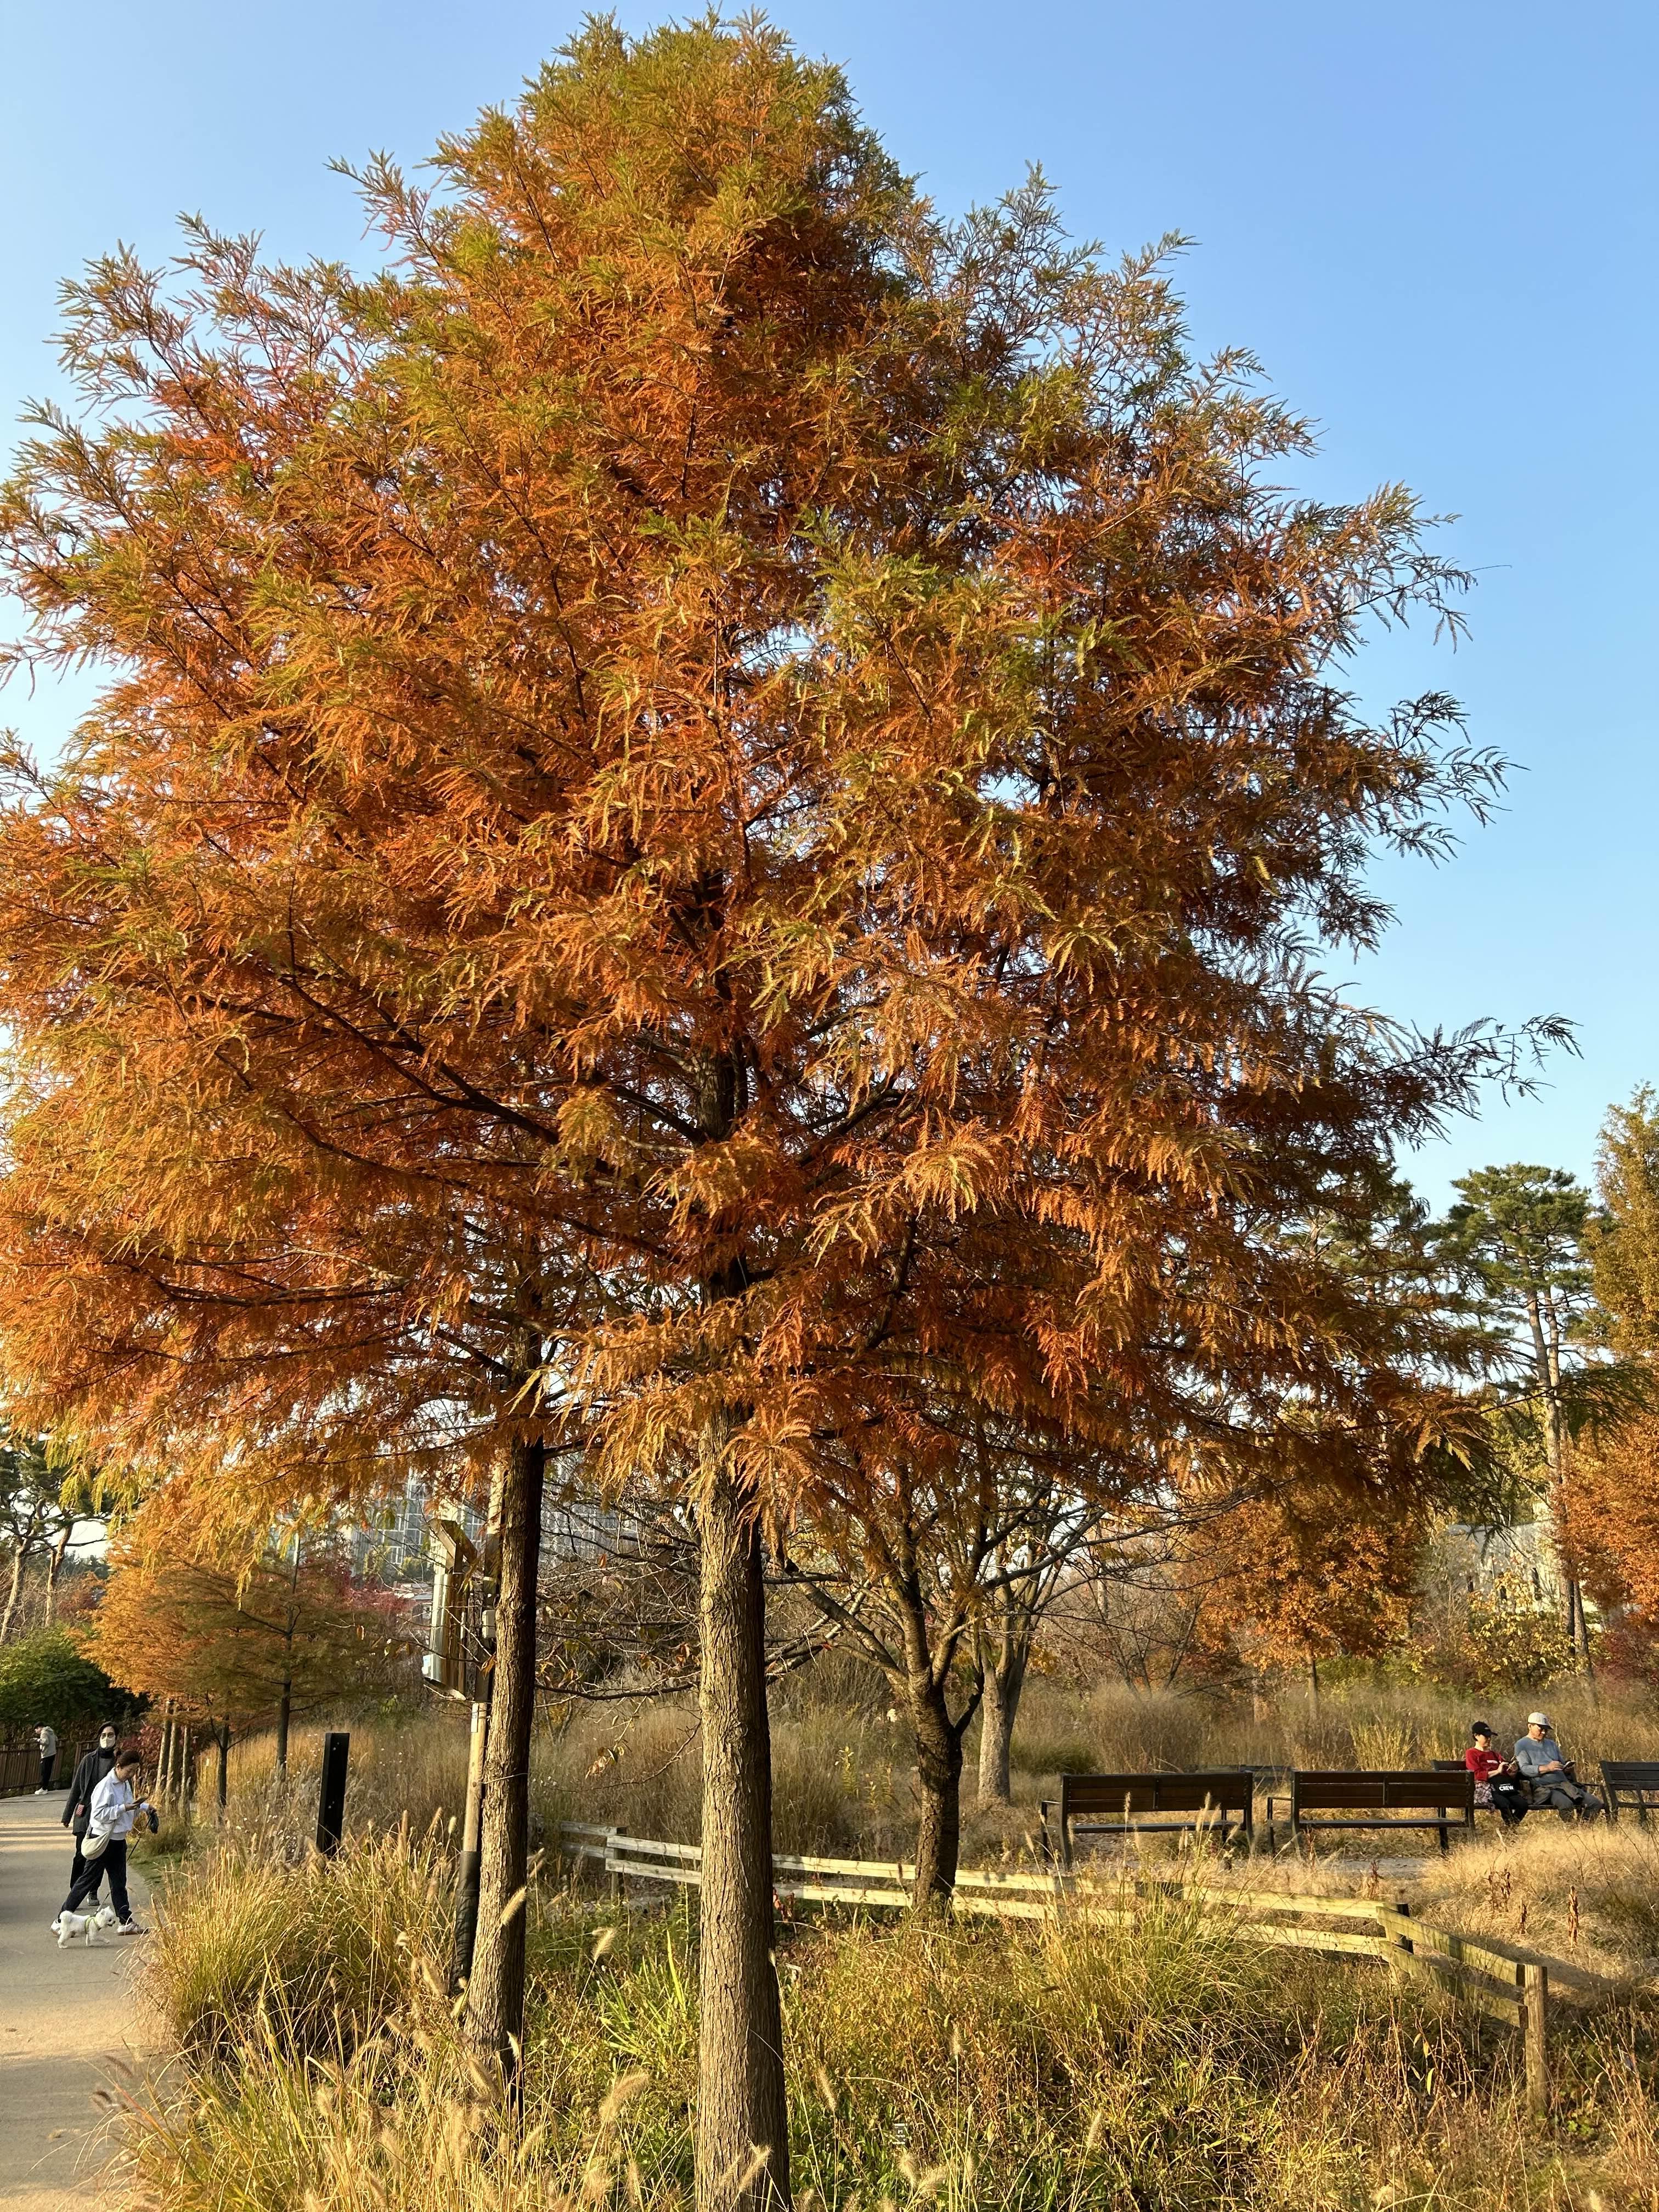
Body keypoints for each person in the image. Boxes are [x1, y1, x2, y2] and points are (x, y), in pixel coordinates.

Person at [51, 1747, 149, 1936]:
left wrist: (144, 1807)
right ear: (119, 1767)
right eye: (129, 1771)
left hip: (118, 1840)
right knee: (87, 1881)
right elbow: (97, 1814)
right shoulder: (105, 1785)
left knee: (119, 1882)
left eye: (135, 1771)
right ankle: (60, 1920)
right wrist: (122, 1808)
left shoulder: (125, 1784)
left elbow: (129, 1807)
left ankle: (126, 1921)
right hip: (103, 1840)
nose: (131, 1775)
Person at [61, 1723, 120, 1904]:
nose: (107, 1739)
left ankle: (92, 1891)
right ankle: (75, 1891)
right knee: (81, 1855)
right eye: (103, 1735)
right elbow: (77, 1788)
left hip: (104, 1816)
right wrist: (67, 1815)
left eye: (110, 1735)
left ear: (116, 1738)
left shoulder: (119, 1762)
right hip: (85, 1814)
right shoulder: (88, 1760)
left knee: (97, 1855)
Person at [1512, 1711, 1605, 1821]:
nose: (1543, 1732)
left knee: (1595, 1803)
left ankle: (1583, 1830)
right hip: (1545, 1788)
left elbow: (1561, 1763)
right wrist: (1547, 1768)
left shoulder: (1552, 1744)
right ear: (1530, 1726)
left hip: (1564, 1785)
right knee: (1566, 1804)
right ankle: (1572, 1829)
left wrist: (1567, 1769)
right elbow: (1525, 1769)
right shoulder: (1522, 1744)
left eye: (1546, 1729)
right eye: (1540, 1728)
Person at [1463, 1722, 1526, 1826]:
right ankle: (1511, 1830)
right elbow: (1476, 1775)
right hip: (1488, 1788)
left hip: (1504, 1786)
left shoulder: (1495, 1755)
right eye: (1486, 1736)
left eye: (1490, 1736)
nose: (1489, 1739)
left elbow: (1505, 1772)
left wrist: (1512, 1773)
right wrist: (1497, 1771)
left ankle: (1511, 1828)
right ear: (1476, 1736)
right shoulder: (1472, 1753)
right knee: (1504, 1803)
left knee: (1522, 1805)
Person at [33, 1722, 58, 1793]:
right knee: (48, 1771)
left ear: (39, 1728)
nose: (36, 1731)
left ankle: (43, 1788)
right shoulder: (51, 1731)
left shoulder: (44, 1733)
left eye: (36, 1730)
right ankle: (45, 1788)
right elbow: (56, 1739)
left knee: (44, 1772)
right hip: (53, 1753)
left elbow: (46, 1742)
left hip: (46, 1755)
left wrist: (38, 1740)